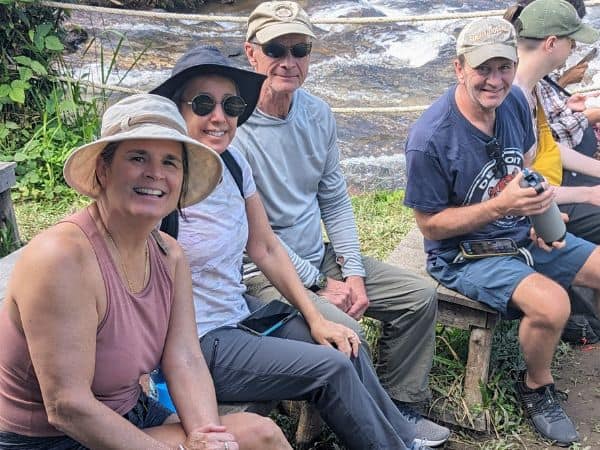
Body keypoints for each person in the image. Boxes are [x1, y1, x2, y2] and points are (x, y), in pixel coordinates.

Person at [151, 44, 435, 450]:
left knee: (343, 343)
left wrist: (315, 316)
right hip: (197, 341)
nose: (219, 117)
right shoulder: (160, 184)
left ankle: (402, 434)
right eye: (202, 104)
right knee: (331, 368)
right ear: (176, 111)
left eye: (230, 104)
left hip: (238, 312)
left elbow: (265, 246)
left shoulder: (232, 164)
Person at [0, 94, 288, 450]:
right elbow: (67, 406)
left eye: (170, 162)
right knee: (260, 437)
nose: (155, 173)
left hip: (131, 411)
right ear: (103, 170)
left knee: (255, 435)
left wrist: (209, 437)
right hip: (51, 439)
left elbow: (184, 357)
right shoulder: (62, 258)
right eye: (138, 158)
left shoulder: (169, 255)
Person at [230, 2, 450, 446]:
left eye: (300, 48)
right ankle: (388, 431)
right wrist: (319, 282)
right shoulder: (232, 125)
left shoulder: (318, 114)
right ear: (251, 54)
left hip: (317, 253)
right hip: (261, 272)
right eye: (276, 48)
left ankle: (400, 405)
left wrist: (352, 272)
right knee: (345, 332)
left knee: (418, 296)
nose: (288, 61)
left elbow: (334, 198)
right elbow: (249, 234)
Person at [404, 16, 600, 447]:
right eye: (482, 69)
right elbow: (430, 225)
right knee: (552, 305)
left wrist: (540, 215)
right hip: (464, 254)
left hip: (519, 232)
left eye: (503, 67)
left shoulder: (514, 101)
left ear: (515, 65)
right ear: (459, 68)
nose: (494, 80)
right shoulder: (430, 139)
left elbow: (523, 167)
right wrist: (501, 206)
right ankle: (536, 386)